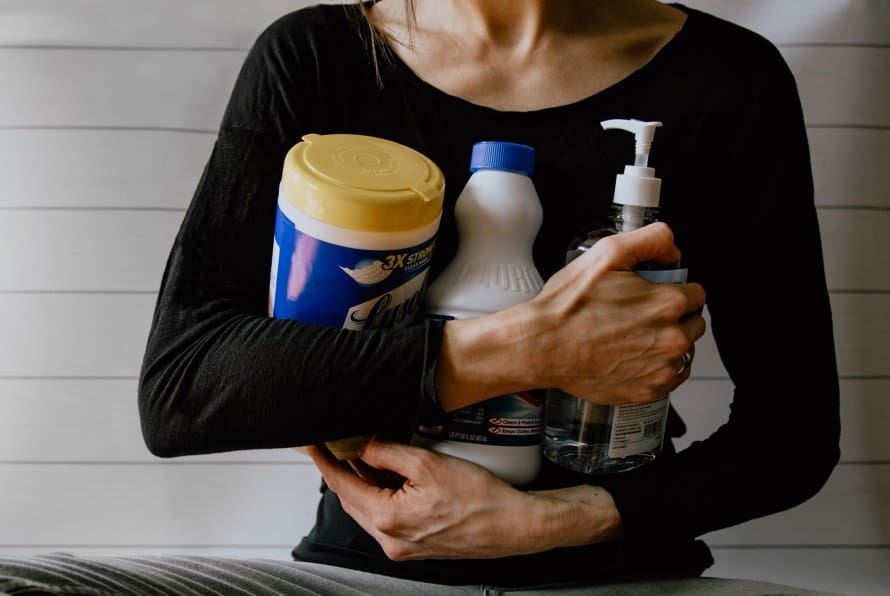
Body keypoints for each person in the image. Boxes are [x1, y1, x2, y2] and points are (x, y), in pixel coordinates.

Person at [0, 1, 841, 594]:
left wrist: (554, 522)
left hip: (623, 572)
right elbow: (185, 391)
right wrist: (524, 349)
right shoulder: (320, 56)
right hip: (366, 572)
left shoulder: (728, 80)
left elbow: (793, 437)